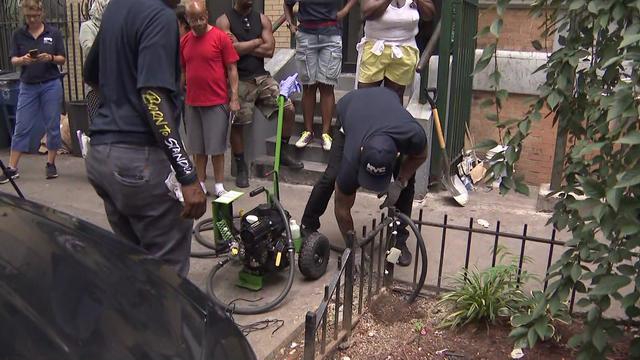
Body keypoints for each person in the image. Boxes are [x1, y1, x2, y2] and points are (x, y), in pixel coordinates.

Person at [83, 0, 206, 277]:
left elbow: (90, 73)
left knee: (134, 265)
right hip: (140, 163)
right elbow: (153, 96)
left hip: (102, 155)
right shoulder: (159, 17)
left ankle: (136, 317)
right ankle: (163, 320)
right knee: (166, 278)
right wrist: (186, 174)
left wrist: (120, 102)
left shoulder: (116, 9)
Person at [301, 87, 428, 266]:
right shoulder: (353, 155)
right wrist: (353, 247)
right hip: (352, 107)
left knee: (407, 181)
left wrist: (399, 182)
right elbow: (342, 208)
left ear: (397, 154)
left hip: (386, 103)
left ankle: (399, 240)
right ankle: (308, 225)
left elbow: (421, 155)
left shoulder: (412, 135)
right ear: (361, 153)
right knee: (332, 176)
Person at [216, 0, 303, 189]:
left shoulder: (262, 19)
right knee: (238, 123)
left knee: (288, 108)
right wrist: (257, 42)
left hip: (262, 78)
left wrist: (243, 46)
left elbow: (269, 50)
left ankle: (283, 152)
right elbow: (229, 50)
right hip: (239, 80)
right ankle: (241, 168)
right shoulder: (224, 21)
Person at [0, 0, 66, 184]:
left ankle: (51, 163)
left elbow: (62, 59)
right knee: (22, 126)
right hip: (28, 85)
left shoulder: (53, 33)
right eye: (28, 16)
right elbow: (13, 59)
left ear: (41, 13)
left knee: (52, 124)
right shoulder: (18, 34)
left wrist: (50, 57)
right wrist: (23, 60)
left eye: (35, 16)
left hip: (51, 84)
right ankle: (12, 168)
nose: (32, 20)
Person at [181, 0, 240, 196]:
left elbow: (232, 68)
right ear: (187, 19)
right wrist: (178, 92)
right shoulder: (185, 41)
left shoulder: (220, 37)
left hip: (216, 101)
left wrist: (234, 97)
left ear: (207, 14)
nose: (198, 22)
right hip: (192, 102)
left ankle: (219, 186)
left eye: (201, 18)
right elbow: (182, 70)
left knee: (217, 147)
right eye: (193, 19)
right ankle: (201, 183)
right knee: (198, 148)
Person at [283, 0, 358, 151]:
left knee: (326, 86)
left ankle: (326, 133)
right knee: (309, 86)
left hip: (331, 35)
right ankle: (308, 132)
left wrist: (343, 12)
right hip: (305, 36)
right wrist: (291, 25)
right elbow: (287, 4)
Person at [358, 0, 436, 101]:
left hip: (405, 48)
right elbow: (366, 13)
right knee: (365, 96)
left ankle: (393, 116)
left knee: (395, 96)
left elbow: (429, 14)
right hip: (375, 47)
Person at [79, 0, 110, 122]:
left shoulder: (115, 27)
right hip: (96, 86)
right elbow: (89, 50)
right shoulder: (88, 27)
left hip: (113, 85)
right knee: (98, 121)